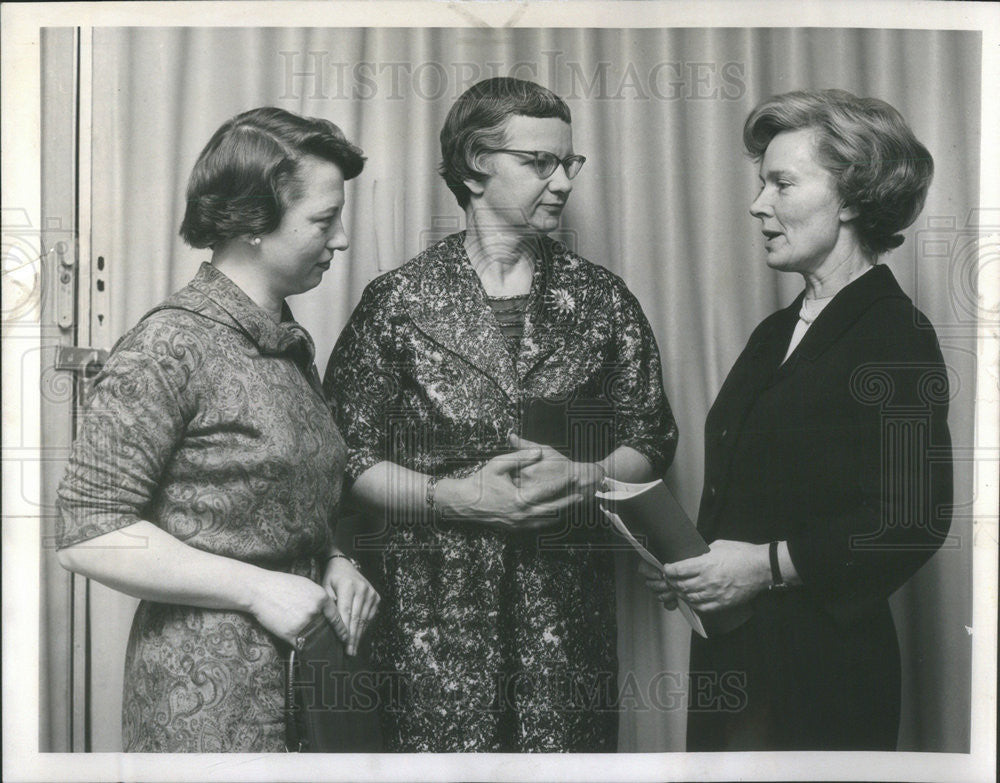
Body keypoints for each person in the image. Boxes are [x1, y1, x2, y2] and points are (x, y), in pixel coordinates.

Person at [323, 77, 677, 752]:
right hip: (431, 629)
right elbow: (349, 457)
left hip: (565, 625)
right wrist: (454, 498)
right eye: (539, 162)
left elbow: (651, 438)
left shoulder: (602, 299)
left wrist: (582, 476)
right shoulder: (397, 303)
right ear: (475, 166)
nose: (564, 181)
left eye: (568, 162)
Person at [56, 107, 380, 752]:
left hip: (307, 678)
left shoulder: (285, 344)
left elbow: (289, 503)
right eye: (323, 219)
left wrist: (335, 558)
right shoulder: (169, 344)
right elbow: (87, 532)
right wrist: (259, 588)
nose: (342, 239)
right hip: (204, 700)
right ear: (254, 223)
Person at [640, 89, 953, 750]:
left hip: (823, 673)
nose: (759, 205)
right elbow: (761, 492)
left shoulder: (896, 334)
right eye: (761, 184)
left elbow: (914, 518)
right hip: (734, 657)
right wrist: (690, 562)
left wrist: (764, 566)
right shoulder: (774, 331)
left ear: (850, 197)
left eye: (782, 183)